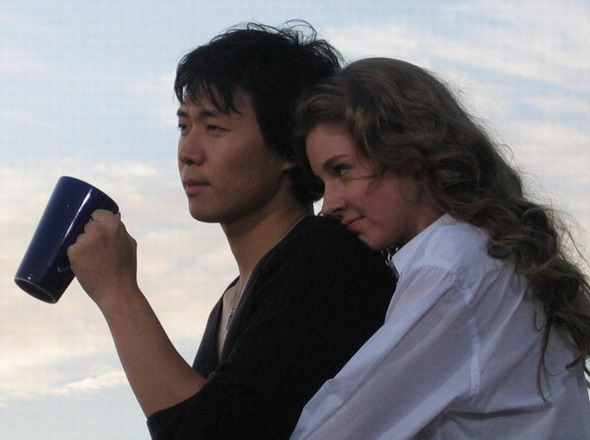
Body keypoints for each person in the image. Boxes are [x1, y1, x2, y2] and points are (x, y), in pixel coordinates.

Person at [66, 25, 396, 439]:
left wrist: (117, 292)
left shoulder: (328, 258)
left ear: (287, 148)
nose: (188, 153)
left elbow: (219, 430)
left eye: (215, 128)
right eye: (184, 126)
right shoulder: (233, 299)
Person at [290, 57, 590, 439]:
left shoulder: (452, 266)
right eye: (323, 183)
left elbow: (337, 428)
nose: (329, 205)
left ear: (409, 151)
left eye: (342, 170)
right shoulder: (487, 253)